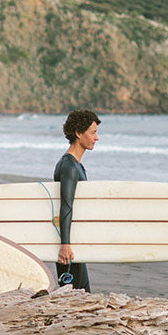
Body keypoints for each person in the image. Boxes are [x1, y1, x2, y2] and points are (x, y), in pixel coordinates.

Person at [54, 109, 100, 291]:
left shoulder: (75, 165)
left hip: (73, 241)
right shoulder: (69, 166)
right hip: (68, 246)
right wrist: (65, 244)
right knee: (75, 297)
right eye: (93, 132)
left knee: (82, 294)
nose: (96, 138)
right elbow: (66, 206)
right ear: (78, 134)